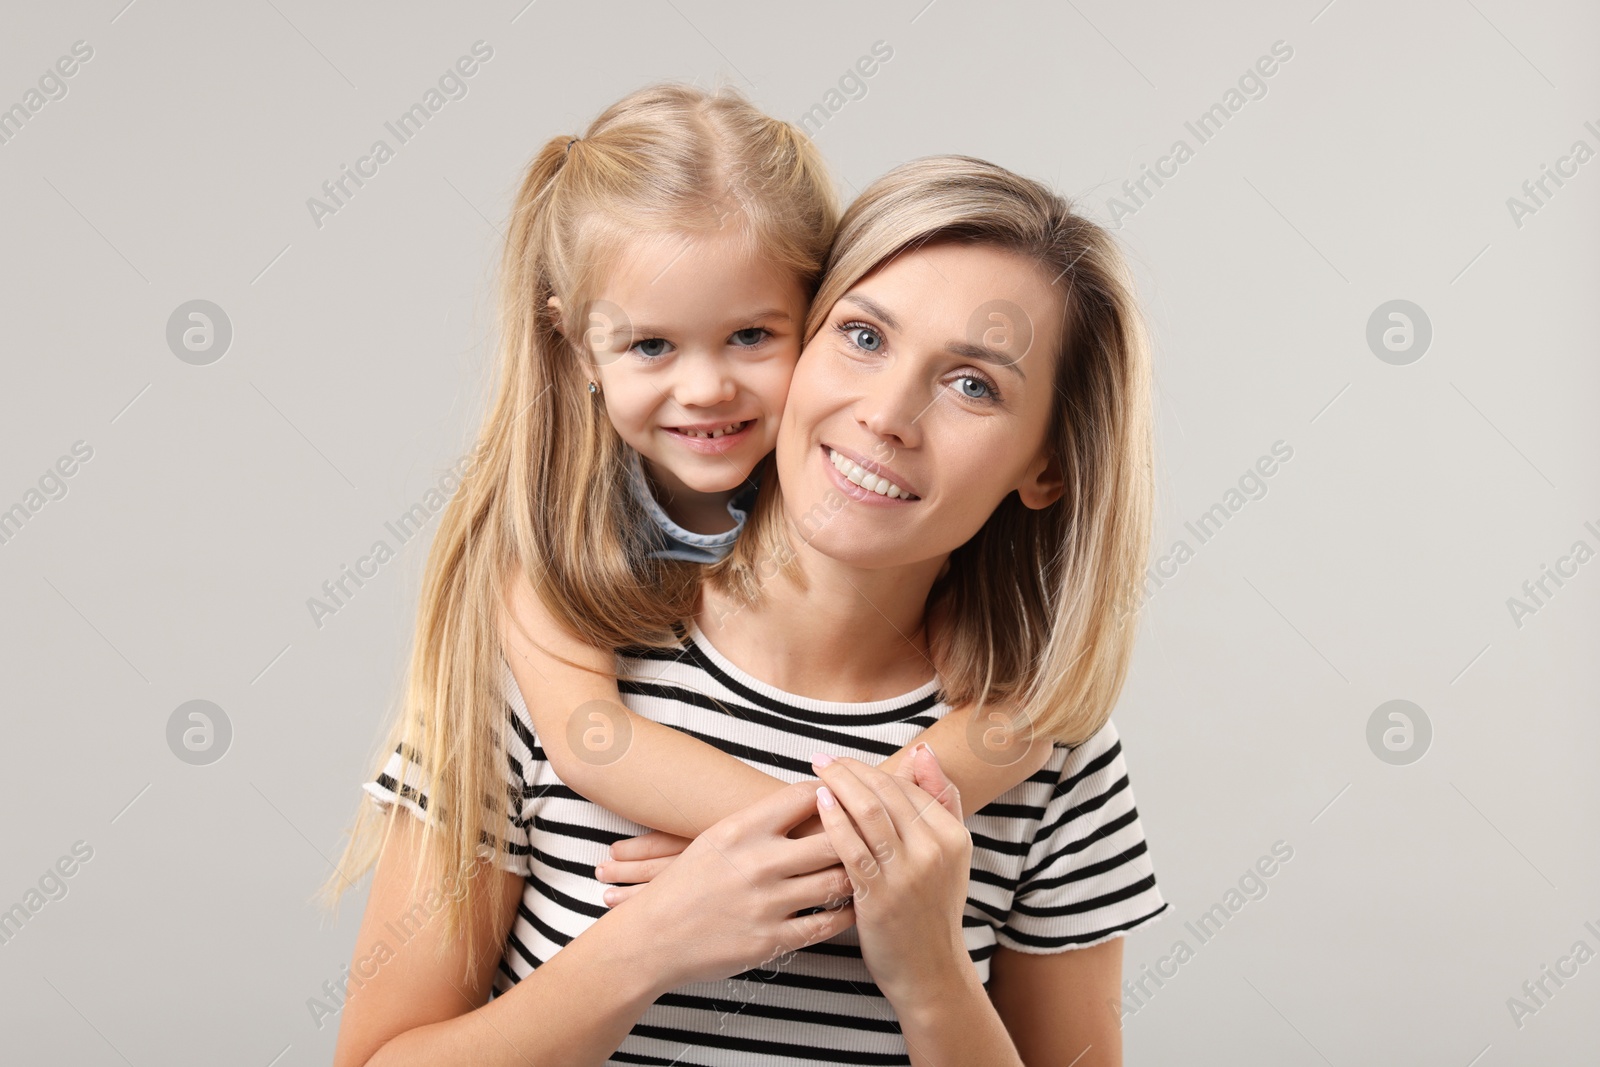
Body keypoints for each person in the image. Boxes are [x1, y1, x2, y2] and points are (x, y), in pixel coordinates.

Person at [332, 153, 1167, 1065]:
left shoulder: (1050, 760)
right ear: (799, 341)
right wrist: (655, 939)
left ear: (1047, 466)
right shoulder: (562, 652)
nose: (888, 412)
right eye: (862, 336)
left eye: (974, 385)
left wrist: (928, 965)